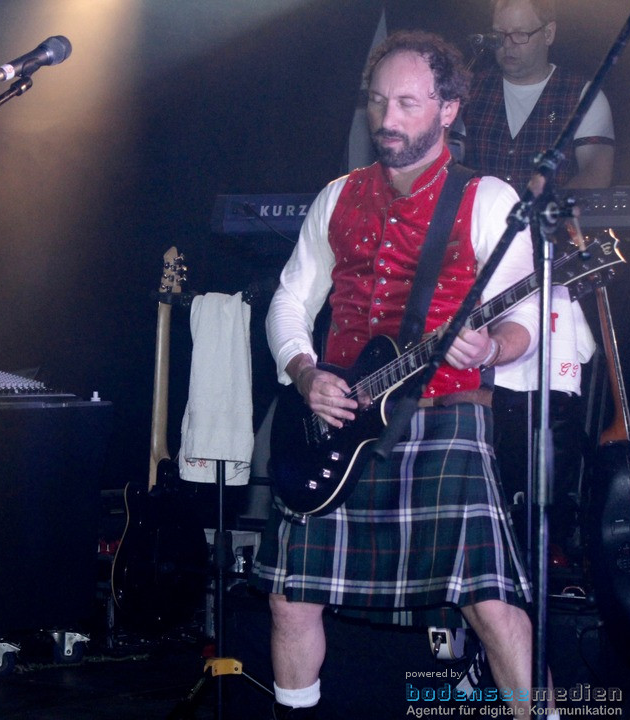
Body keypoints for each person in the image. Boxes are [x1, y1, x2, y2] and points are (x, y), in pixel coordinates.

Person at [250, 30, 542, 718]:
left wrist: (493, 348)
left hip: (444, 415)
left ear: (448, 109)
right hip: (342, 415)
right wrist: (303, 372)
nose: (387, 119)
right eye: (378, 101)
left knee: (492, 605)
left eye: (407, 103)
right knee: (290, 597)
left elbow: (533, 316)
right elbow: (290, 301)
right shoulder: (338, 196)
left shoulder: (489, 199)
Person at [461, 0, 611, 561]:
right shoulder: (467, 92)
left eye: (521, 35)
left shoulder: (581, 93)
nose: (508, 46)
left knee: (547, 402)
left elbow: (598, 174)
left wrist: (556, 193)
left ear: (549, 32)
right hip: (472, 266)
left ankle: (546, 533)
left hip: (545, 269)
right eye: (499, 35)